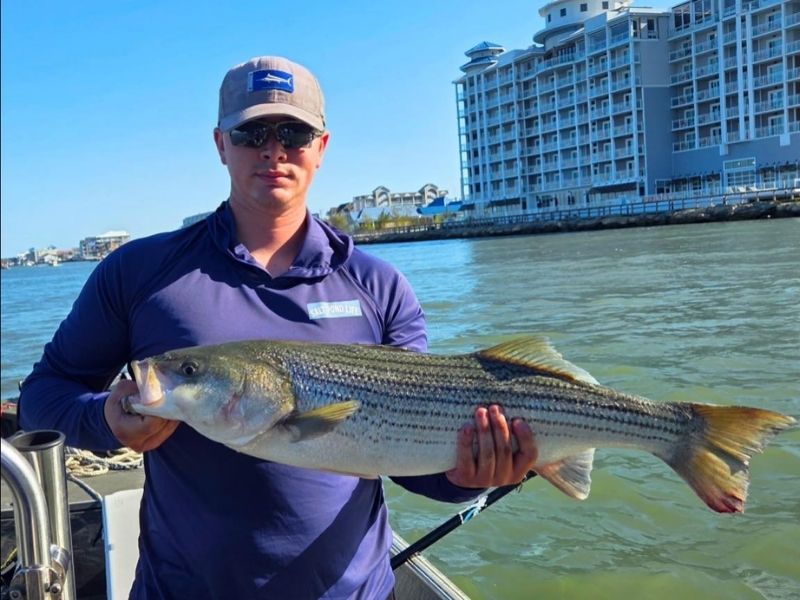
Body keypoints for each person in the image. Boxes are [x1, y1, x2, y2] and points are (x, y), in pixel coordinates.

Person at [19, 56, 537, 599]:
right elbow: (43, 396)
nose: (273, 149)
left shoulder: (380, 286)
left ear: (322, 146)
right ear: (221, 143)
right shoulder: (139, 272)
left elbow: (407, 456)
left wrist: (471, 475)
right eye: (251, 132)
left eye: (294, 131)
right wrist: (104, 419)